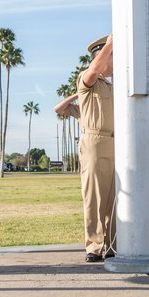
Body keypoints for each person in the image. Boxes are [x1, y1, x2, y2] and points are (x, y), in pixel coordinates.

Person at [53, 35, 115, 263]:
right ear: (102, 57)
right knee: (95, 196)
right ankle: (95, 246)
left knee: (115, 197)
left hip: (117, 142)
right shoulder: (88, 79)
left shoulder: (115, 85)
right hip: (95, 142)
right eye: (111, 57)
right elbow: (59, 108)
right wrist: (110, 44)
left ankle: (113, 245)